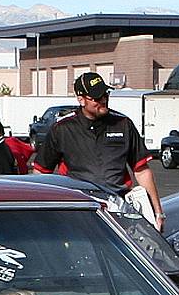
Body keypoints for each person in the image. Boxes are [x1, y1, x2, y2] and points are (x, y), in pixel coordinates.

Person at [32, 71, 163, 230]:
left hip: (118, 211)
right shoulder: (62, 129)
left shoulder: (123, 124)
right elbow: (41, 173)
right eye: (96, 97)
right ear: (81, 100)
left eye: (105, 95)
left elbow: (142, 170)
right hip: (79, 212)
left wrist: (157, 212)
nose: (103, 100)